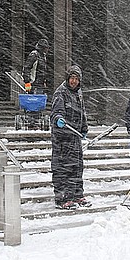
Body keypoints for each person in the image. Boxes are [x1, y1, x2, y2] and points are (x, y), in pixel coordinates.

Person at [50, 65, 91, 210]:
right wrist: (58, 119)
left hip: (75, 137)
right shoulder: (60, 93)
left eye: (77, 79)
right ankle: (62, 198)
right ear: (68, 78)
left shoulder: (78, 93)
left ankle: (77, 194)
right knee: (63, 168)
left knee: (77, 167)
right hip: (62, 138)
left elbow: (82, 112)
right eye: (72, 78)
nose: (74, 81)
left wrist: (84, 127)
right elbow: (55, 113)